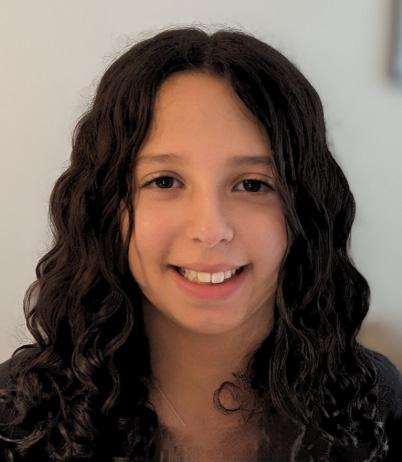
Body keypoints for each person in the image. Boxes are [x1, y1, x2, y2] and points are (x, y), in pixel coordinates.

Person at [0, 25, 401, 462]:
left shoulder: (376, 405)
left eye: (252, 184)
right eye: (164, 181)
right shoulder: (16, 418)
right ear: (106, 209)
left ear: (304, 210)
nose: (211, 230)